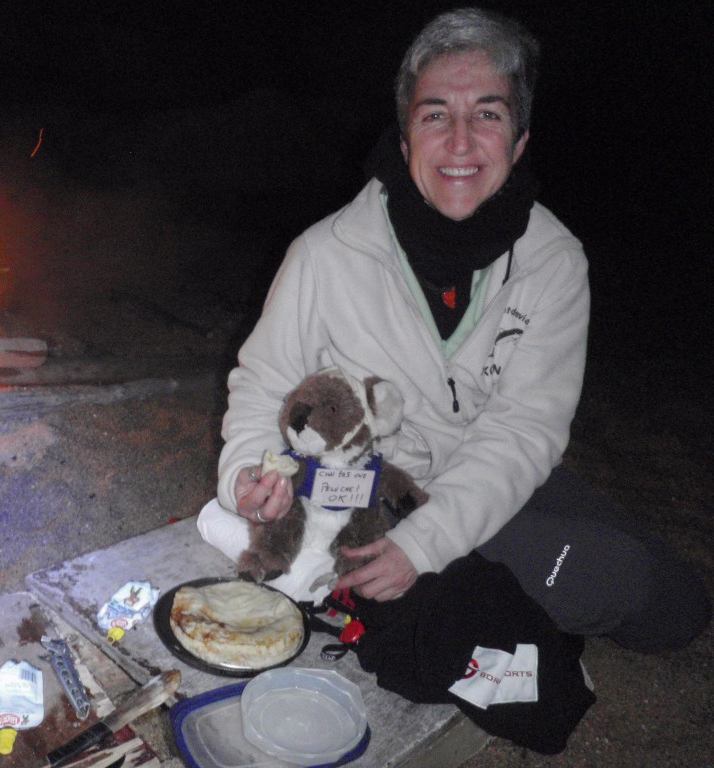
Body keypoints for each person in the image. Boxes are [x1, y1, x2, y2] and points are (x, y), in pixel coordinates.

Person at [198, 7, 710, 653]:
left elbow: (525, 428)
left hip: (492, 477)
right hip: (376, 498)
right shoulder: (324, 253)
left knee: (676, 601)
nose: (460, 141)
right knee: (614, 585)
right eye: (436, 113)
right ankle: (463, 589)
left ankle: (476, 578)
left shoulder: (553, 262)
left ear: (520, 141)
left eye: (488, 114)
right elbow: (265, 381)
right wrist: (248, 475)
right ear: (407, 139)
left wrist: (430, 542)